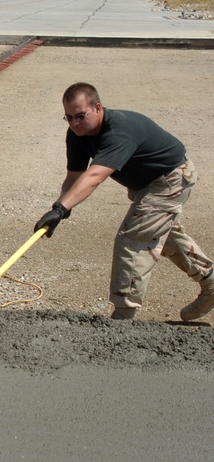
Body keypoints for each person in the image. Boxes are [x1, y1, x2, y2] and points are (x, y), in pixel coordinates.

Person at [35, 82, 214, 321]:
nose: (74, 123)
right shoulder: (77, 135)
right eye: (68, 118)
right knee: (162, 236)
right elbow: (74, 177)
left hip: (170, 179)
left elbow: (95, 176)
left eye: (80, 116)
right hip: (146, 185)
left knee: (132, 238)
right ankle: (212, 283)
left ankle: (123, 316)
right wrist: (58, 210)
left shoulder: (118, 130)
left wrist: (61, 208)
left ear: (97, 108)